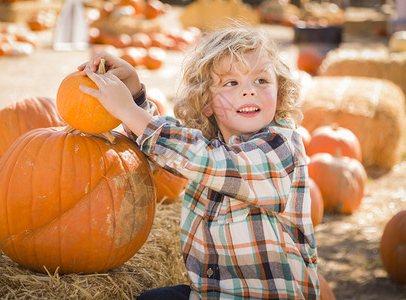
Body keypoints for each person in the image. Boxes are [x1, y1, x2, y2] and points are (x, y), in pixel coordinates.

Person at [78, 24, 320, 299]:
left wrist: (127, 110)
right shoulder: (209, 145)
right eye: (232, 82)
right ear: (206, 102)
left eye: (262, 80)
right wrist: (134, 92)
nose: (250, 91)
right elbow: (170, 154)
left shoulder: (282, 147)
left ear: (279, 91)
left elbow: (210, 161)